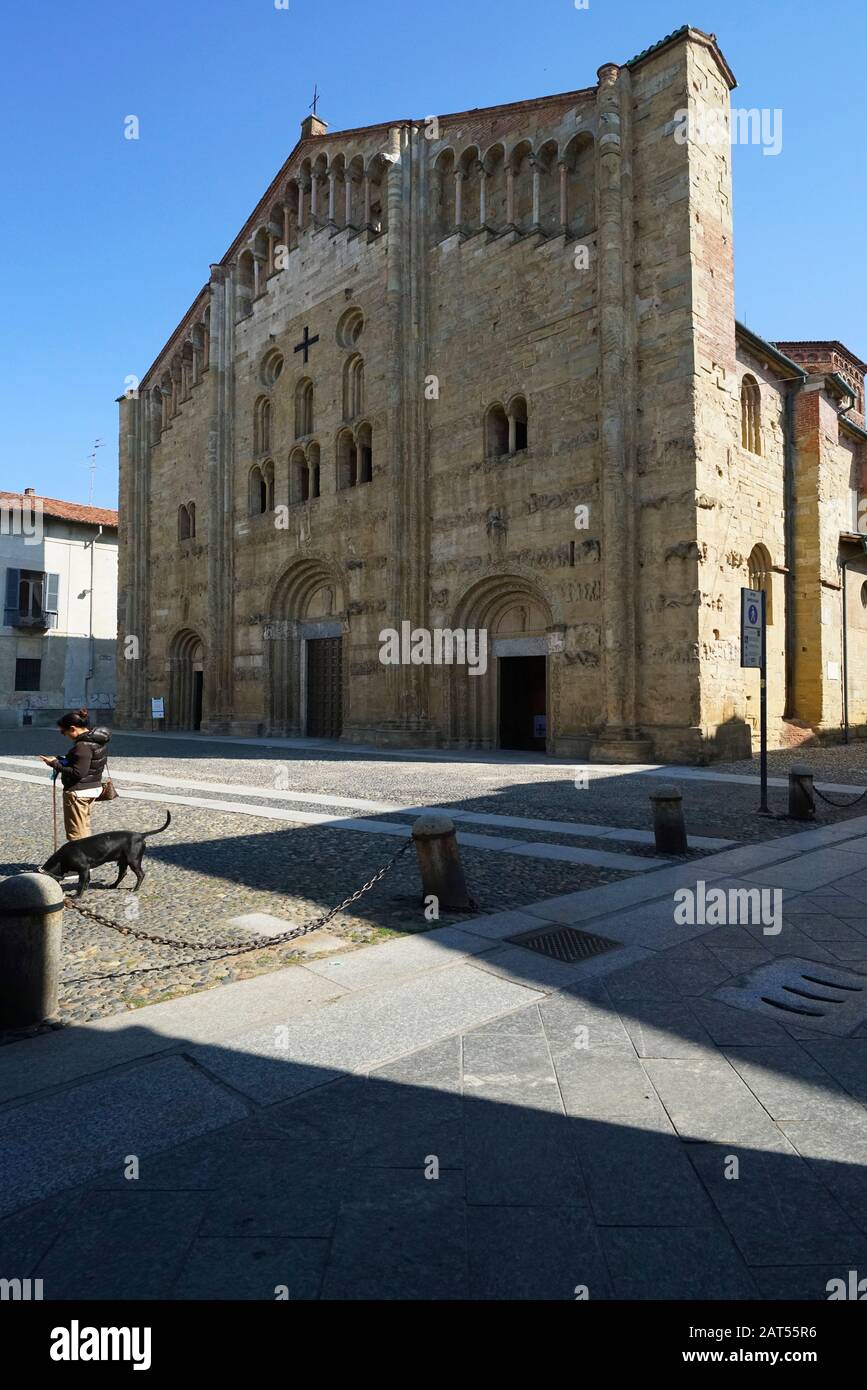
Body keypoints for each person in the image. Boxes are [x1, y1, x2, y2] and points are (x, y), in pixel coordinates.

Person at [39, 708, 112, 841]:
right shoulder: (96, 740)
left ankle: (81, 860)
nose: (64, 735)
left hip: (79, 793)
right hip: (91, 789)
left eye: (63, 732)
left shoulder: (82, 746)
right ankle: (87, 857)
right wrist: (64, 760)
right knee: (84, 828)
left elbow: (78, 772)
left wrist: (54, 763)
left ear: (73, 728)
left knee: (76, 835)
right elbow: (87, 763)